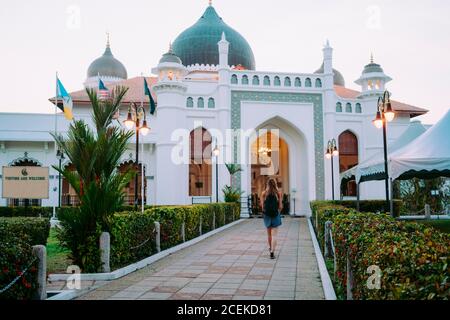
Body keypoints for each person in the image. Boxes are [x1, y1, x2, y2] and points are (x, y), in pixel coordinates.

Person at [260, 178, 282, 259]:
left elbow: (262, 207)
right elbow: (280, 206)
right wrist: (277, 212)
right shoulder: (278, 193)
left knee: (269, 234)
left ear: (267, 184)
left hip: (267, 216)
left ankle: (270, 249)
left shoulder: (264, 193)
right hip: (275, 215)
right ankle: (272, 252)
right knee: (274, 235)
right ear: (275, 184)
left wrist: (265, 212)